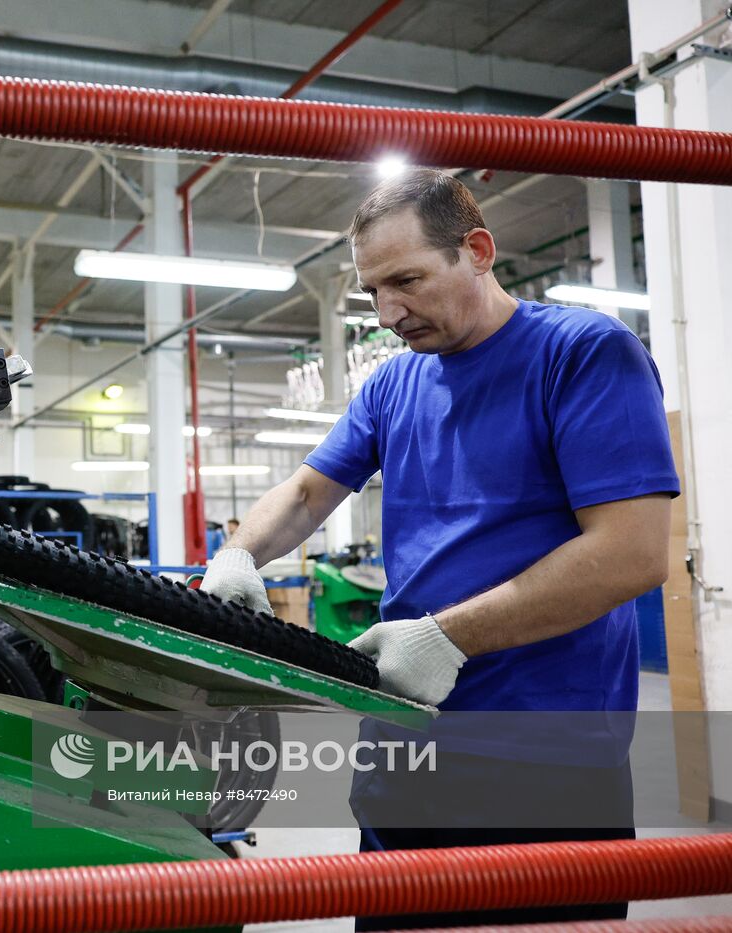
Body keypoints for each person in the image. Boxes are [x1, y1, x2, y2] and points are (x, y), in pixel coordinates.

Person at [200, 169, 678, 928]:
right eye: (371, 292)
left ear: (477, 251)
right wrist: (235, 556)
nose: (389, 312)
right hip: (401, 748)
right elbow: (304, 495)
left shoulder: (584, 355)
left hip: (544, 759)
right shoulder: (394, 385)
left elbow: (631, 554)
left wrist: (447, 636)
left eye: (408, 280)